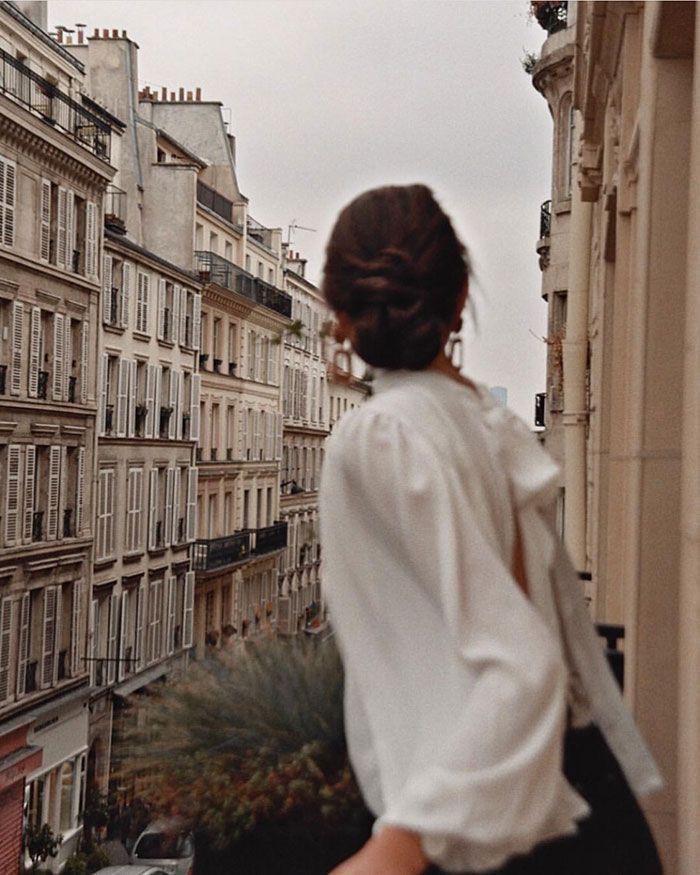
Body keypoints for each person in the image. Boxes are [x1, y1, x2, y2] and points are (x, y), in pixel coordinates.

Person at [318, 184, 663, 875]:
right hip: (579, 810)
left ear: (338, 311)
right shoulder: (484, 421)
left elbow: (521, 661)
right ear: (460, 294)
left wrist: (397, 845)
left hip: (475, 833)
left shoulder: (381, 435)